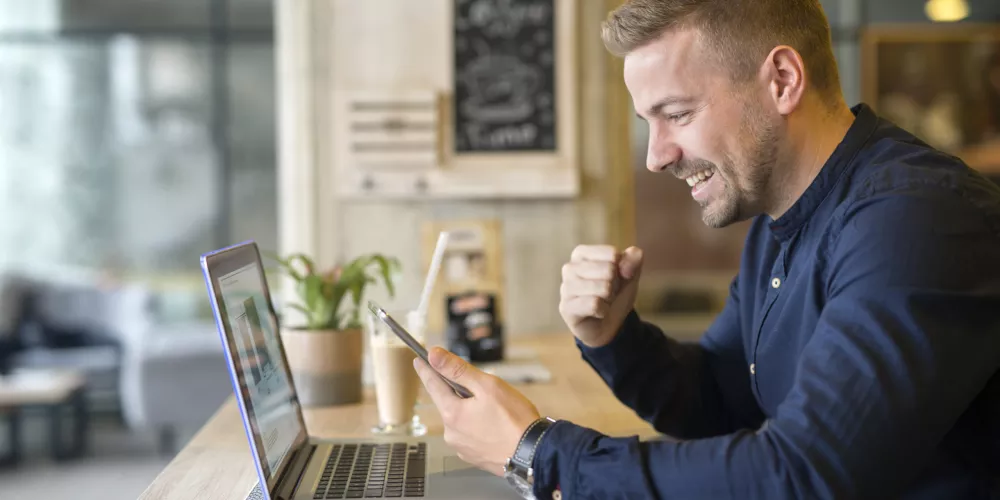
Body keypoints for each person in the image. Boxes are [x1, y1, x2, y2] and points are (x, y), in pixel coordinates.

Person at [412, 0, 1000, 498]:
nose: (656, 155)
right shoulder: (780, 218)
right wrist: (613, 338)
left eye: (677, 114)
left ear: (783, 81)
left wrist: (540, 452)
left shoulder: (917, 218)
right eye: (649, 122)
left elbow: (803, 475)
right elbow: (722, 398)